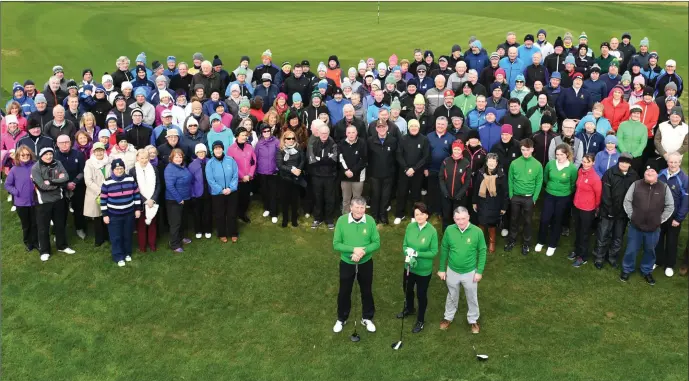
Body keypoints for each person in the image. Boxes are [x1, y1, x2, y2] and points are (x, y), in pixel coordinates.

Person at [332, 196, 381, 334]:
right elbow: (336, 244)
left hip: (366, 262)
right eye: (357, 207)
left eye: (362, 207)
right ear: (351, 208)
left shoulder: (370, 221)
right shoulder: (342, 221)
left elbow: (376, 243)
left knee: (366, 290)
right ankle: (341, 318)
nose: (360, 210)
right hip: (347, 263)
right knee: (344, 291)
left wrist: (361, 252)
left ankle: (367, 317)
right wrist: (354, 250)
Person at [621, 164, 675, 285]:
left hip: (653, 228)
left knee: (650, 251)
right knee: (631, 249)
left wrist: (659, 219)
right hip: (635, 226)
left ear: (657, 175)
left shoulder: (664, 187)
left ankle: (646, 270)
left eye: (652, 171)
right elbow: (627, 201)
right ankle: (627, 269)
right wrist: (632, 216)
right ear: (644, 174)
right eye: (647, 171)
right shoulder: (636, 185)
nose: (649, 173)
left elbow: (670, 206)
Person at [438, 206, 486, 334]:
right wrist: (442, 269)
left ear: (468, 217)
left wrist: (479, 271)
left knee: (472, 296)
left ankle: (473, 320)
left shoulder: (477, 232)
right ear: (454, 219)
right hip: (452, 270)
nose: (461, 222)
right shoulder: (449, 230)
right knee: (452, 295)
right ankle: (448, 317)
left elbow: (482, 251)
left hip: (470, 272)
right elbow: (444, 250)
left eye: (463, 218)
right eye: (458, 219)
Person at [398, 202, 439, 333]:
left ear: (427, 215)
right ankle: (409, 308)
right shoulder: (410, 226)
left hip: (423, 271)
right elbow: (404, 245)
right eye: (417, 214)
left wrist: (417, 253)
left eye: (422, 214)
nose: (419, 217)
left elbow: (433, 252)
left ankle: (420, 320)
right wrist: (408, 252)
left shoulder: (432, 231)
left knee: (421, 294)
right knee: (407, 289)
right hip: (409, 266)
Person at [32, 147, 75, 261]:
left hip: (59, 199)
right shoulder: (35, 168)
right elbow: (42, 186)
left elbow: (66, 177)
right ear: (41, 156)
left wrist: (51, 181)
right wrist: (58, 182)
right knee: (43, 228)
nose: (49, 156)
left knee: (60, 224)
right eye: (46, 154)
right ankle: (45, 251)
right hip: (43, 202)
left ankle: (62, 246)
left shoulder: (58, 163)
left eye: (50, 154)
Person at [536, 144, 578, 257]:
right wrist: (550, 187)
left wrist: (564, 191)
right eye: (557, 154)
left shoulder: (572, 168)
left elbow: (573, 184)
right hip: (549, 195)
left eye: (562, 154)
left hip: (563, 197)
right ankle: (541, 241)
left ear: (567, 155)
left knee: (557, 220)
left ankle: (552, 245)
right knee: (545, 219)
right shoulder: (550, 164)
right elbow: (546, 178)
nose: (559, 157)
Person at [100, 158, 141, 267]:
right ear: (113, 170)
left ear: (124, 168)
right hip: (114, 215)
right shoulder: (107, 182)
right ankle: (118, 256)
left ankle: (127, 253)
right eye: (117, 168)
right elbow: (103, 200)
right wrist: (105, 215)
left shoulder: (130, 179)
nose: (119, 170)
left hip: (129, 213)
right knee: (116, 236)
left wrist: (137, 209)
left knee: (127, 235)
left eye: (121, 168)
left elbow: (136, 195)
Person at [505, 138, 543, 255]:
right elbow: (510, 180)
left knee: (527, 221)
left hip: (529, 198)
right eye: (523, 150)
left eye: (527, 150)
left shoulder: (537, 165)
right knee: (514, 219)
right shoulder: (514, 163)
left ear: (532, 149)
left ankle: (526, 243)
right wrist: (511, 195)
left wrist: (534, 198)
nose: (525, 152)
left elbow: (539, 182)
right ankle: (512, 240)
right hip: (516, 196)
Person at [655, 153, 688, 277]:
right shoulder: (660, 173)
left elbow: (686, 202)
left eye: (676, 162)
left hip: (674, 217)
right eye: (671, 162)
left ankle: (669, 265)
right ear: (667, 162)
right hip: (659, 215)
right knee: (657, 239)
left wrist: (679, 218)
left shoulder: (684, 179)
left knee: (671, 241)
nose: (673, 164)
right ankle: (658, 261)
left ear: (680, 163)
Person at [569, 154, 602, 267]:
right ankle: (577, 250)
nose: (585, 164)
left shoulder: (595, 178)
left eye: (588, 162)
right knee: (577, 230)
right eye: (584, 161)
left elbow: (598, 196)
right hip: (577, 206)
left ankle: (583, 257)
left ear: (593, 163)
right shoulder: (580, 172)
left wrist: (595, 207)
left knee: (584, 233)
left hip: (587, 209)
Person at [394, 119, 429, 225]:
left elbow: (425, 157)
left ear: (419, 128)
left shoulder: (424, 139)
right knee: (402, 193)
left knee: (416, 194)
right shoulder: (403, 139)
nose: (414, 128)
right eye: (412, 126)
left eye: (416, 126)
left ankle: (414, 215)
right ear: (408, 127)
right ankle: (400, 214)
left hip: (417, 172)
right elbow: (399, 154)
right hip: (404, 172)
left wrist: (414, 168)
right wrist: (406, 168)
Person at [4, 146, 38, 251]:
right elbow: (8, 185)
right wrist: (16, 192)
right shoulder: (14, 169)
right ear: (18, 156)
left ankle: (36, 241)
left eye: (28, 154)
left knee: (35, 223)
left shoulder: (35, 166)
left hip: (35, 201)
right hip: (21, 203)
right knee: (26, 224)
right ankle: (28, 242)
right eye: (23, 155)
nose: (25, 156)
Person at [472, 153, 508, 253]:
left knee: (492, 223)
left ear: (496, 163)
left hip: (495, 203)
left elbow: (505, 192)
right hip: (482, 201)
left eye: (494, 161)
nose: (491, 163)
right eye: (489, 161)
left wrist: (504, 207)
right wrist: (474, 202)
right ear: (486, 162)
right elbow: (476, 188)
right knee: (481, 222)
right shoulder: (480, 173)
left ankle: (492, 242)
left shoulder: (501, 175)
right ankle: (480, 242)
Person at [54, 134, 87, 239]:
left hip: (77, 186)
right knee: (60, 211)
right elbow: (54, 174)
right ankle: (59, 232)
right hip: (60, 188)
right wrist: (65, 185)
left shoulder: (78, 154)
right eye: (61, 143)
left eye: (67, 142)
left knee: (79, 209)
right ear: (57, 144)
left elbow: (82, 171)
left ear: (71, 142)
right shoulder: (54, 157)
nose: (64, 144)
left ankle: (80, 228)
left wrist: (74, 182)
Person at [367, 119, 398, 224]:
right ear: (376, 129)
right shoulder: (370, 140)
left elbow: (395, 157)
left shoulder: (393, 141)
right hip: (374, 174)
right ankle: (374, 216)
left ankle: (383, 215)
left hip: (388, 174)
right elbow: (368, 157)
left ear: (387, 128)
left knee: (385, 196)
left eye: (383, 127)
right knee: (375, 195)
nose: (381, 129)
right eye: (379, 127)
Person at [129, 148, 160, 252]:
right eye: (142, 158)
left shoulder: (154, 169)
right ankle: (142, 246)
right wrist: (145, 200)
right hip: (140, 202)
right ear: (137, 158)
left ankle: (152, 244)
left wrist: (153, 199)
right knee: (141, 225)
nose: (144, 160)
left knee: (152, 224)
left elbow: (158, 185)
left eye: (146, 158)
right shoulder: (133, 171)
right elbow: (134, 187)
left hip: (153, 202)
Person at [164, 148, 193, 252]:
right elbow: (170, 186)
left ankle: (181, 238)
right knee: (175, 223)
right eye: (176, 157)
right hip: (174, 200)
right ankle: (174, 244)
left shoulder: (183, 166)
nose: (178, 159)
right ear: (172, 158)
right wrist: (179, 199)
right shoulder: (170, 168)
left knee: (182, 221)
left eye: (180, 156)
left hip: (185, 198)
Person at [439, 140, 471, 231]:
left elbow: (467, 181)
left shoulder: (466, 163)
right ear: (452, 149)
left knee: (458, 217)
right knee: (446, 216)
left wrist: (460, 194)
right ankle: (446, 234)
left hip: (459, 197)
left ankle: (458, 233)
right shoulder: (446, 161)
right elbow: (441, 177)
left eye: (458, 149)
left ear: (462, 150)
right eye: (455, 149)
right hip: (446, 195)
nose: (456, 151)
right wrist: (444, 192)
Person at [227, 127, 256, 224]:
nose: (244, 137)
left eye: (245, 135)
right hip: (237, 179)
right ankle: (236, 213)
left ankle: (242, 213)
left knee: (246, 198)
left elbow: (253, 162)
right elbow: (231, 165)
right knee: (237, 198)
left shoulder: (249, 147)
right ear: (237, 136)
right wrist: (242, 176)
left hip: (248, 178)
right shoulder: (231, 149)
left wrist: (250, 174)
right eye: (242, 135)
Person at [276, 131, 305, 227]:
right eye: (288, 138)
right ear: (284, 139)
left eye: (293, 138)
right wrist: (292, 170)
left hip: (296, 178)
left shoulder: (298, 148)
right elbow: (280, 165)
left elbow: (302, 160)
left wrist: (299, 169)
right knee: (285, 200)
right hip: (285, 178)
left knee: (295, 200)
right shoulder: (280, 150)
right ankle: (285, 219)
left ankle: (294, 219)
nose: (291, 140)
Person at [255, 124, 280, 223]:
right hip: (262, 171)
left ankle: (274, 213)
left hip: (273, 172)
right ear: (261, 133)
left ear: (271, 131)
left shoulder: (276, 142)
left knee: (273, 193)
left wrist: (277, 168)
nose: (266, 133)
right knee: (265, 191)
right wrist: (256, 170)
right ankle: (267, 208)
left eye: (268, 131)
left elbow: (279, 156)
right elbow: (256, 158)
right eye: (264, 131)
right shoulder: (259, 144)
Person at [188, 143, 213, 239]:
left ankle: (208, 229)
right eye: (199, 152)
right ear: (196, 153)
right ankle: (198, 230)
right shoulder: (192, 165)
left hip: (209, 191)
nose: (201, 153)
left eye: (203, 151)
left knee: (208, 211)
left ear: (205, 152)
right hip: (197, 192)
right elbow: (191, 181)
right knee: (197, 212)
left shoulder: (210, 162)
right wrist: (193, 194)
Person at [654, 106, 688, 171]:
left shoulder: (686, 128)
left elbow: (686, 144)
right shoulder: (662, 125)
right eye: (672, 116)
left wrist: (675, 154)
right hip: (661, 156)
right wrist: (664, 154)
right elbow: (657, 140)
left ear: (680, 117)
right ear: (669, 116)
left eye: (677, 117)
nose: (674, 119)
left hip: (676, 159)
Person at [617, 104, 648, 175]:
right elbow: (619, 139)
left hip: (636, 157)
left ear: (640, 115)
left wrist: (634, 154)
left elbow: (643, 143)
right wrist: (625, 152)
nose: (636, 115)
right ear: (630, 114)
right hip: (622, 155)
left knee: (633, 175)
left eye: (638, 113)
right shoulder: (623, 125)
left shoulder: (643, 127)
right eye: (634, 113)